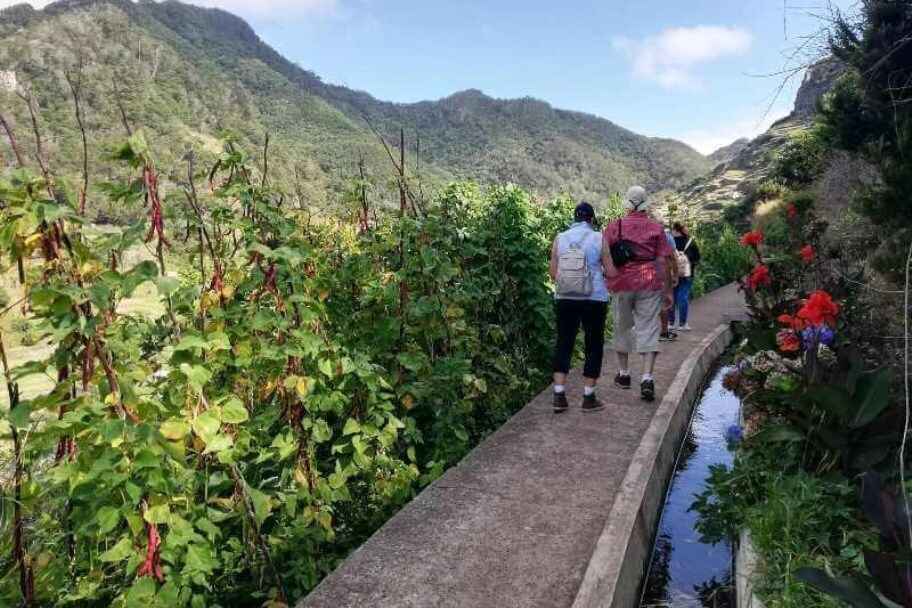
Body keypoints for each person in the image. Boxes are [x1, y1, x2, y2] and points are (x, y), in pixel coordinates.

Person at [602, 186, 676, 402]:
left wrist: (610, 277)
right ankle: (647, 377)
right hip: (649, 283)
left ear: (627, 203)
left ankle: (624, 374)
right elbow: (662, 261)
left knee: (622, 326)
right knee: (649, 328)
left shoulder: (615, 226)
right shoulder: (656, 228)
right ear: (645, 204)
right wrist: (668, 289)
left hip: (621, 283)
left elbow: (604, 253)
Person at [549, 202, 609, 413]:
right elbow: (610, 270)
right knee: (593, 344)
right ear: (591, 219)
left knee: (564, 341)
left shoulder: (560, 238)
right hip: (594, 298)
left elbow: (553, 272)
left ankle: (558, 394)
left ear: (574, 218)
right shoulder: (599, 238)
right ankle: (588, 397)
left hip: (565, 297)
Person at [670, 222, 701, 332]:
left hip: (672, 274)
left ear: (675, 230)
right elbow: (697, 257)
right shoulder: (690, 241)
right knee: (683, 296)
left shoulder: (669, 241)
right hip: (687, 274)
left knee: (672, 297)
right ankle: (683, 324)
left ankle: (671, 323)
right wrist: (689, 264)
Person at [659, 226, 679, 342]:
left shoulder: (643, 235)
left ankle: (649, 332)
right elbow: (673, 257)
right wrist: (675, 274)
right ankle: (664, 332)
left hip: (645, 273)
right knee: (664, 303)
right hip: (663, 272)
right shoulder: (666, 236)